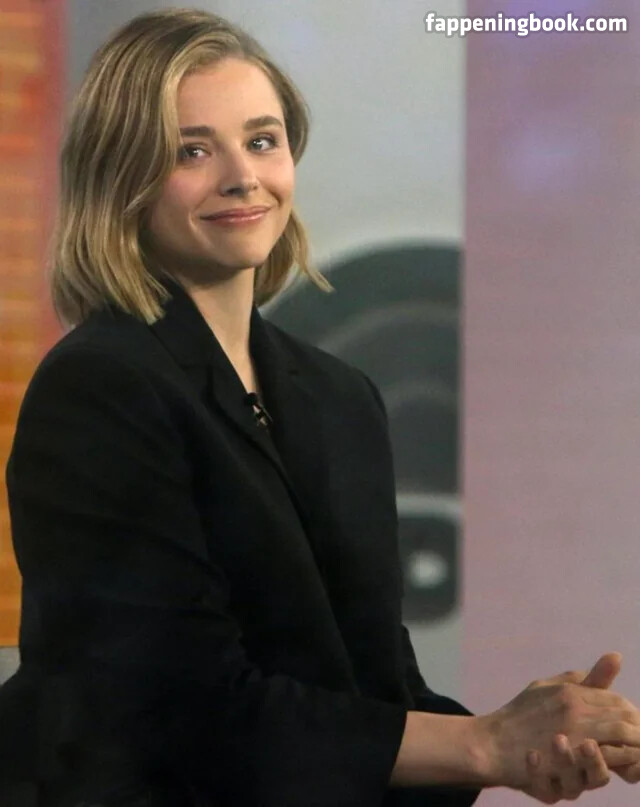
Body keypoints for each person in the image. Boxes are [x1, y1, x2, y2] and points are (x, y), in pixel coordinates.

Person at [1, 7, 640, 806]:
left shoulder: (340, 396)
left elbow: (375, 691)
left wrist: (525, 742)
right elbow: (178, 709)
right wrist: (481, 743)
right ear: (119, 176)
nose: (243, 176)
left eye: (262, 140)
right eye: (192, 150)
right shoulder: (99, 389)